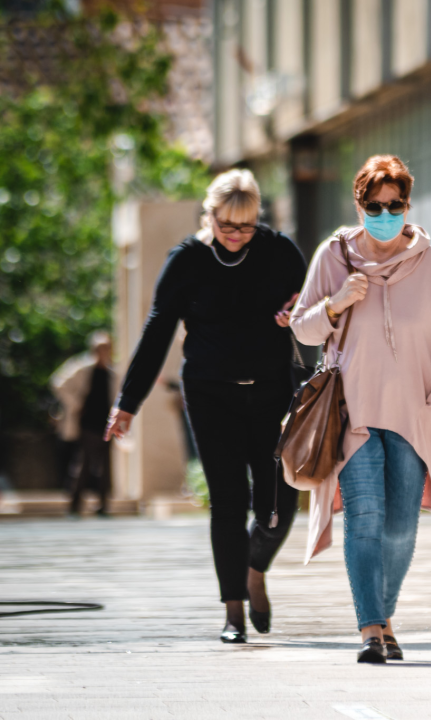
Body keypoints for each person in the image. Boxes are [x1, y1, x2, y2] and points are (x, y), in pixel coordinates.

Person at [290, 155, 431, 664]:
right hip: (352, 412)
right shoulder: (334, 256)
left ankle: (384, 615)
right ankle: (371, 628)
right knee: (365, 518)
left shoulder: (430, 261)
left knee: (400, 526)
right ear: (358, 205)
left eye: (394, 205)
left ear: (407, 205)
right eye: (374, 205)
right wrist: (335, 304)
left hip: (415, 412)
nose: (384, 213)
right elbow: (303, 329)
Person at [104, 169, 306, 643]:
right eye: (226, 225)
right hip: (211, 395)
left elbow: (317, 310)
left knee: (279, 505)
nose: (236, 235)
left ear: (259, 218)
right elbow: (157, 332)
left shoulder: (280, 253)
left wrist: (297, 313)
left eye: (247, 226)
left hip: (273, 393)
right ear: (208, 215)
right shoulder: (188, 261)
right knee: (229, 503)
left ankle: (254, 569)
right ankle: (233, 610)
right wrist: (128, 403)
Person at [51, 331, 116, 516]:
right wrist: (75, 404)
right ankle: (74, 504)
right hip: (87, 423)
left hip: (106, 423)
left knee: (106, 466)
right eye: (100, 348)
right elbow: (58, 383)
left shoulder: (112, 371)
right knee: (84, 463)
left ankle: (103, 505)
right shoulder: (81, 367)